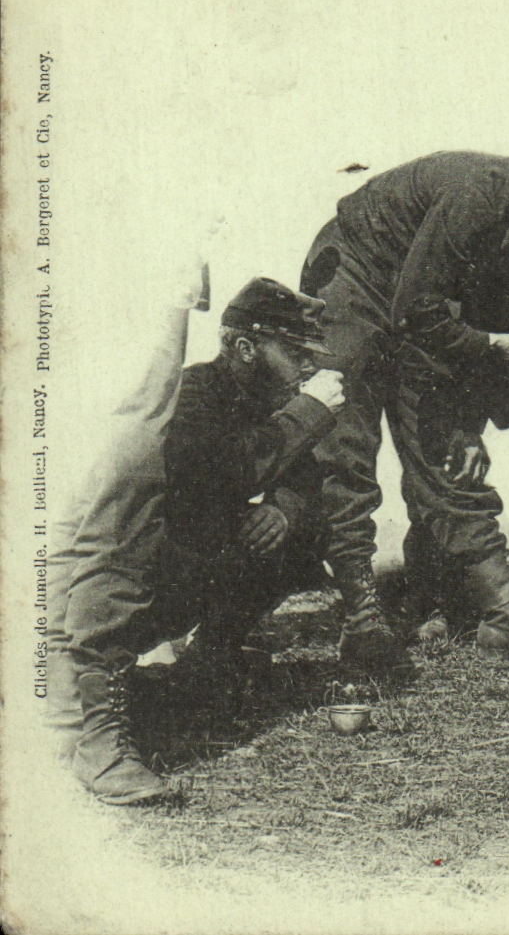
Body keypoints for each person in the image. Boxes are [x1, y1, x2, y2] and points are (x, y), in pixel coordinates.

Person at [299, 143, 509, 667]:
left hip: (416, 304)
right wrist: (488, 356)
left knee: (447, 448)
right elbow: (422, 313)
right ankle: (362, 614)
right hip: (356, 278)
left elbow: (471, 326)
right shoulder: (476, 199)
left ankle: (503, 611)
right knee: (346, 446)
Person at [59, 278, 346, 804]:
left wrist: (281, 509)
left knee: (306, 532)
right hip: (137, 586)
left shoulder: (268, 400)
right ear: (244, 348)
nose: (307, 367)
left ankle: (208, 662)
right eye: (295, 351)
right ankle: (105, 727)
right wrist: (307, 415)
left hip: (185, 577)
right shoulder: (192, 395)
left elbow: (305, 473)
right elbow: (215, 473)